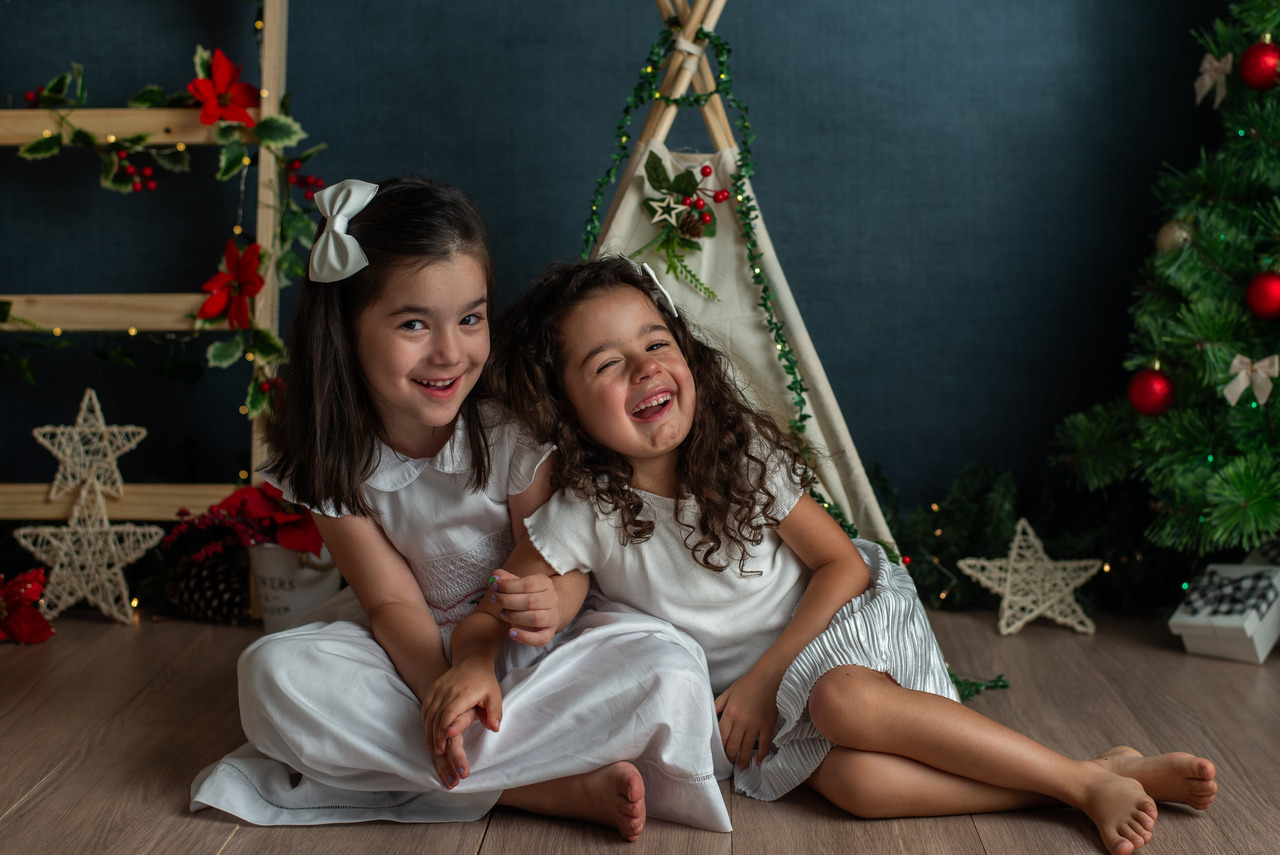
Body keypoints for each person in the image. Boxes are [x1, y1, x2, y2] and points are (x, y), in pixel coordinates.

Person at [429, 255, 1219, 855]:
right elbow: (502, 604)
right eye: (607, 364)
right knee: (856, 784)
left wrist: (766, 679)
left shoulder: (736, 455)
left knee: (843, 701)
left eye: (656, 342)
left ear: (688, 356)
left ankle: (1078, 780)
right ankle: (1089, 775)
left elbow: (844, 566)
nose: (644, 368)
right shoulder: (585, 508)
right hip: (770, 704)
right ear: (567, 407)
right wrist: (475, 659)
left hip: (838, 627)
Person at [189, 180, 732, 839]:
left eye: (470, 319)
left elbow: (559, 563)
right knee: (271, 677)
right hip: (411, 651)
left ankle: (459, 774)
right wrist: (441, 698)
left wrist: (529, 624)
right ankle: (541, 788)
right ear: (347, 327)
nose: (449, 352)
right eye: (414, 324)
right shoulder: (329, 460)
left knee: (669, 668)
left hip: (534, 649)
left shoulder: (509, 427)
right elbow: (392, 604)